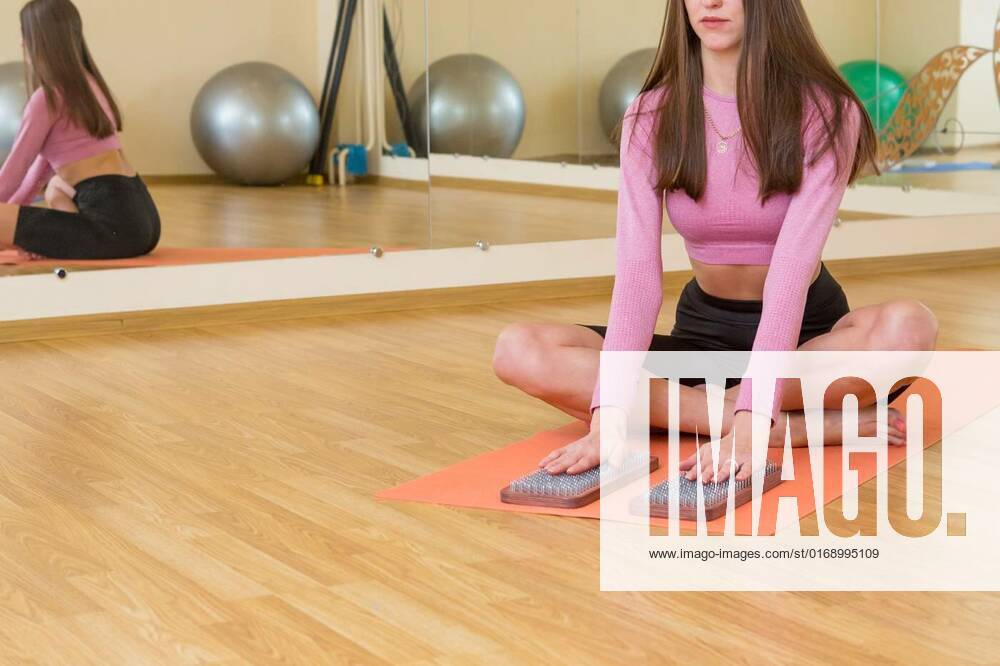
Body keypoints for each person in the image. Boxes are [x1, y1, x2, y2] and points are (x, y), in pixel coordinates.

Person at [492, 0, 938, 483]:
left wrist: (750, 426)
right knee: (518, 348)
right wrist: (608, 421)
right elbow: (638, 280)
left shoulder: (828, 111)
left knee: (909, 325)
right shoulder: (649, 115)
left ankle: (738, 413)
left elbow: (789, 275)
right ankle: (797, 428)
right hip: (703, 340)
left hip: (805, 344)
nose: (711, 1)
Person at [0, 0, 159, 260]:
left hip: (114, 228)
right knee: (54, 188)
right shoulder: (90, 86)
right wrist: (15, 225)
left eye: (24, 33)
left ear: (39, 38)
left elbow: (11, 175)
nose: (21, 43)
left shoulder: (47, 98)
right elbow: (35, 178)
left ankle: (39, 242)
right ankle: (49, 243)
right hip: (143, 221)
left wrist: (7, 223)